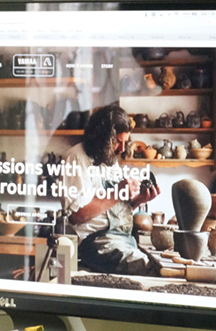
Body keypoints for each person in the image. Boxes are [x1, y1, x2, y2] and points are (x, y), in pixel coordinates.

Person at [59, 104, 160, 276]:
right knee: (147, 268)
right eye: (117, 142)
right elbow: (77, 216)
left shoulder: (110, 159)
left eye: (124, 142)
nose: (121, 149)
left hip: (122, 239)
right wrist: (116, 192)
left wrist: (138, 201)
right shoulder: (77, 157)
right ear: (101, 137)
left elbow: (111, 211)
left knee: (159, 264)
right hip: (97, 243)